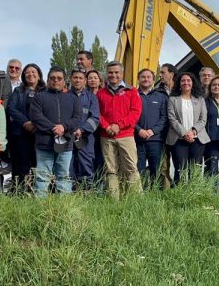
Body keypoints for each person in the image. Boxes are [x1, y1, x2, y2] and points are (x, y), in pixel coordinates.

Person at [29, 67, 82, 197]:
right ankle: (39, 207)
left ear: (64, 81)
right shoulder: (39, 97)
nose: (56, 81)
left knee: (63, 176)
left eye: (59, 78)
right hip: (44, 144)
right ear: (47, 80)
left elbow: (78, 117)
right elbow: (36, 116)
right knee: (42, 177)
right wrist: (54, 128)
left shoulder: (73, 98)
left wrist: (63, 127)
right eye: (52, 78)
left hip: (66, 144)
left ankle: (65, 207)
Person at [97, 61, 143, 198]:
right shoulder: (101, 93)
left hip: (126, 135)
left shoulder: (132, 91)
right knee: (111, 170)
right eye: (110, 72)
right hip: (106, 136)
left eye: (116, 72)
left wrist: (119, 125)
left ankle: (136, 199)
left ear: (122, 73)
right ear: (107, 74)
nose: (113, 75)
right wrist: (107, 126)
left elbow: (135, 112)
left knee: (130, 167)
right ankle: (114, 200)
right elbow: (97, 113)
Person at [6, 63, 45, 191]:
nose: (30, 74)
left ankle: (37, 191)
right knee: (19, 165)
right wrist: (25, 123)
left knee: (38, 165)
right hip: (19, 134)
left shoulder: (45, 91)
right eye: (27, 72)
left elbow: (49, 110)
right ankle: (19, 192)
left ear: (39, 75)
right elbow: (12, 109)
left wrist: (36, 124)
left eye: (34, 72)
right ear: (23, 75)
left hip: (40, 134)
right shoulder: (18, 91)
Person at [166, 72, 209, 185]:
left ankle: (193, 195)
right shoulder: (173, 99)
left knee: (195, 169)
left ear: (193, 83)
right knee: (180, 169)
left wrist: (193, 131)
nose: (186, 83)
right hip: (178, 139)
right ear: (179, 84)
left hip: (197, 139)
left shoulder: (200, 99)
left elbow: (203, 119)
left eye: (188, 80)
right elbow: (172, 119)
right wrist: (185, 133)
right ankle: (179, 194)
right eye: (183, 80)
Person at [69, 68, 100, 189]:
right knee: (68, 166)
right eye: (75, 77)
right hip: (68, 137)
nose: (77, 80)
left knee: (86, 165)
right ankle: (70, 195)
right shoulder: (64, 96)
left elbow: (95, 117)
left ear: (85, 81)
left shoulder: (91, 97)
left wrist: (81, 130)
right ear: (71, 79)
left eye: (80, 78)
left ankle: (87, 194)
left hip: (86, 138)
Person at [135, 68, 168, 181]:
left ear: (153, 80)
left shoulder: (161, 96)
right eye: (143, 77)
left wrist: (152, 131)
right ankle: (140, 196)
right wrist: (139, 130)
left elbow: (164, 117)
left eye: (149, 77)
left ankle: (156, 195)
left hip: (155, 140)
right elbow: (129, 116)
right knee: (139, 171)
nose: (146, 79)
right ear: (138, 79)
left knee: (157, 170)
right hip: (138, 139)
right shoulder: (133, 95)